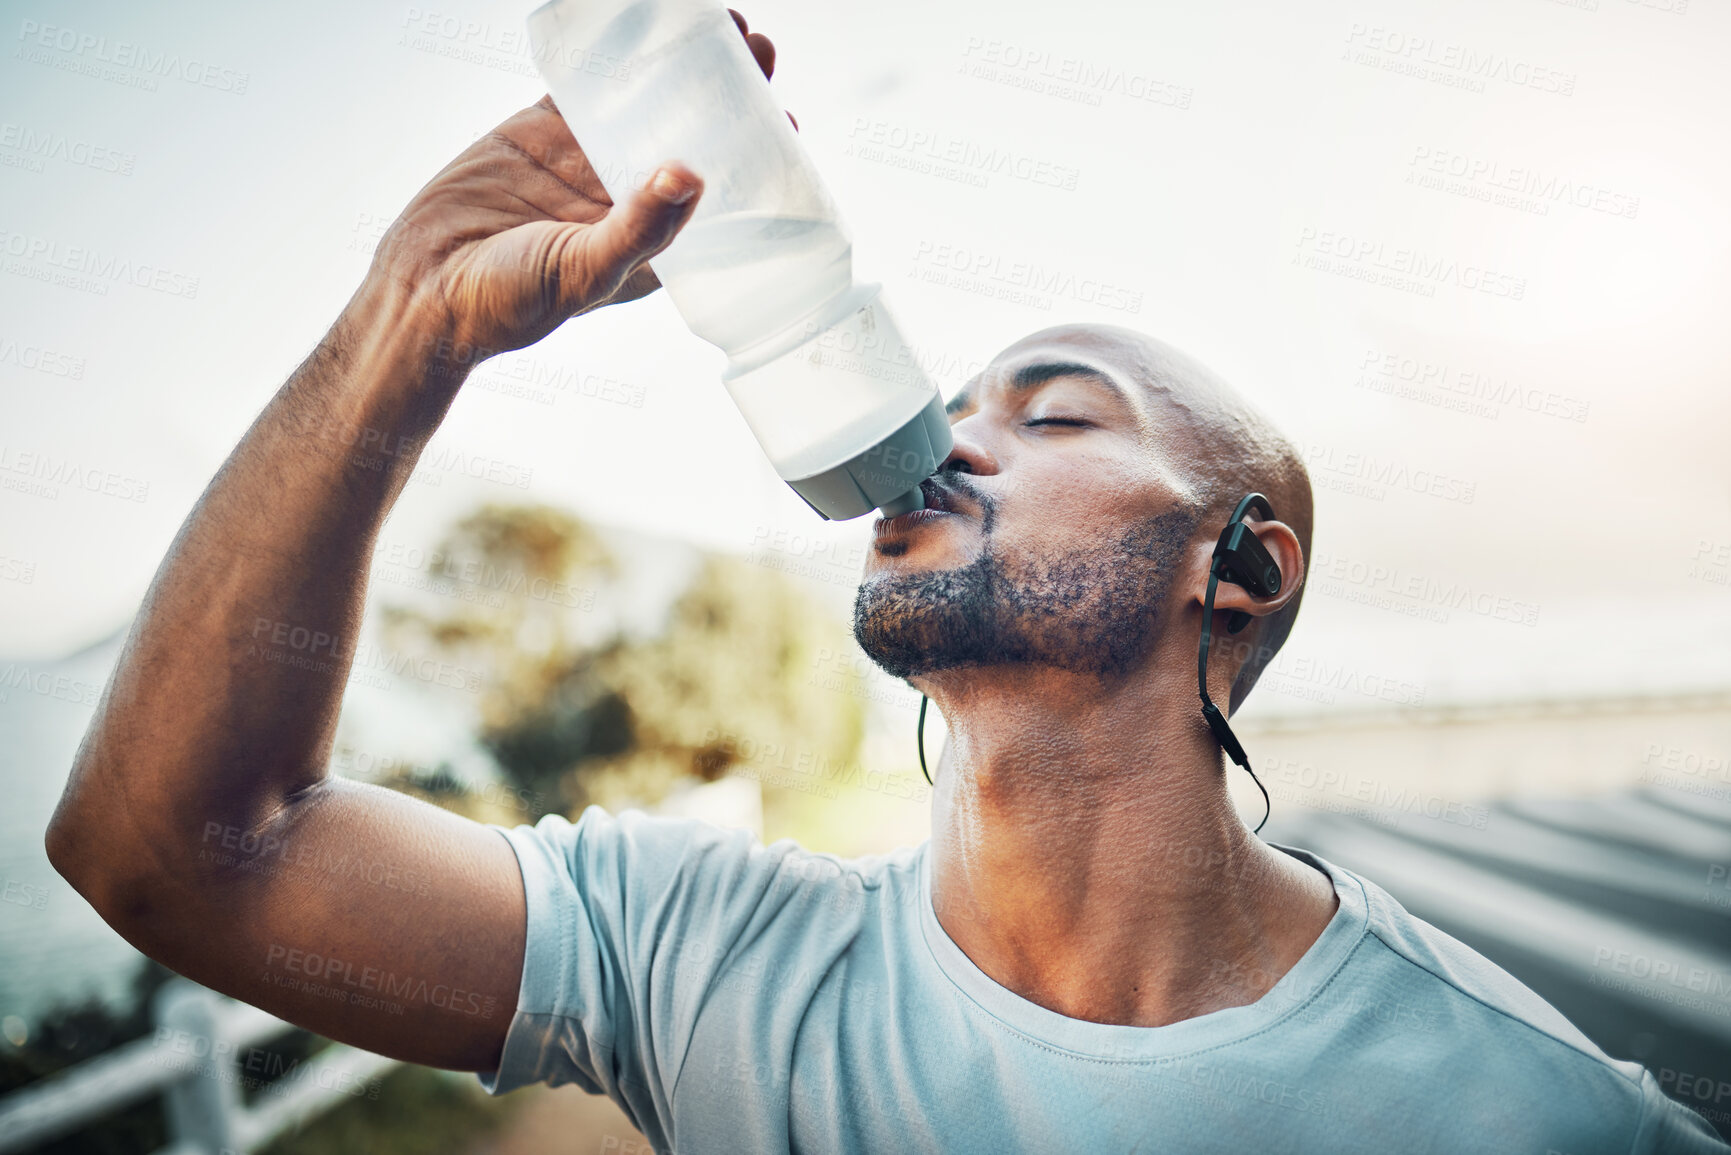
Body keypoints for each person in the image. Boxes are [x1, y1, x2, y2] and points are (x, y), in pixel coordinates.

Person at [44, 12, 1726, 1154]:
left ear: (1246, 566)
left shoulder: (1531, 1113)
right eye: (960, 393)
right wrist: (403, 322)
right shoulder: (697, 956)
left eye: (1054, 410)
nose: (953, 438)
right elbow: (178, 856)